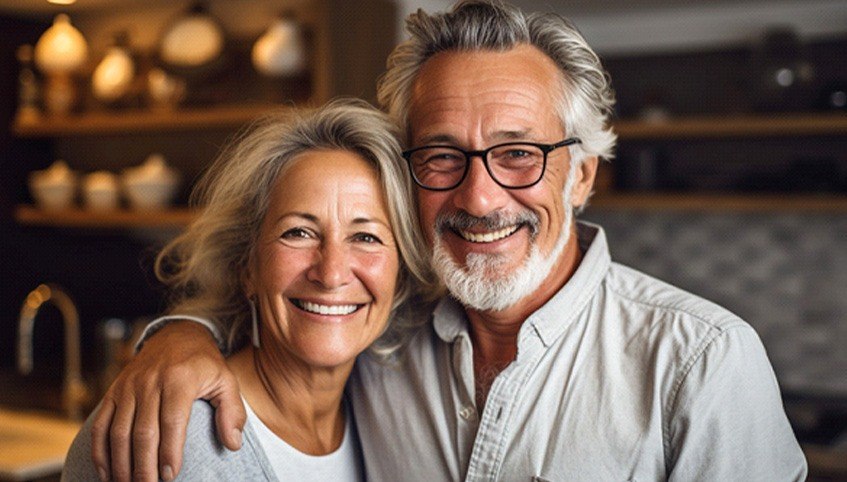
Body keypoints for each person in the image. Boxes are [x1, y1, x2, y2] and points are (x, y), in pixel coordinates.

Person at [90, 1, 808, 481]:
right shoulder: (384, 334)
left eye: (518, 153)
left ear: (582, 175)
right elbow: (294, 305)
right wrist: (177, 339)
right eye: (440, 155)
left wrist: (174, 337)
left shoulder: (701, 363)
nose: (479, 197)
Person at [62, 100, 434, 481]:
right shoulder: (167, 433)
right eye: (298, 232)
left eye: (366, 236)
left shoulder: (386, 417)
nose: (331, 272)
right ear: (247, 268)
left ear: (400, 277)